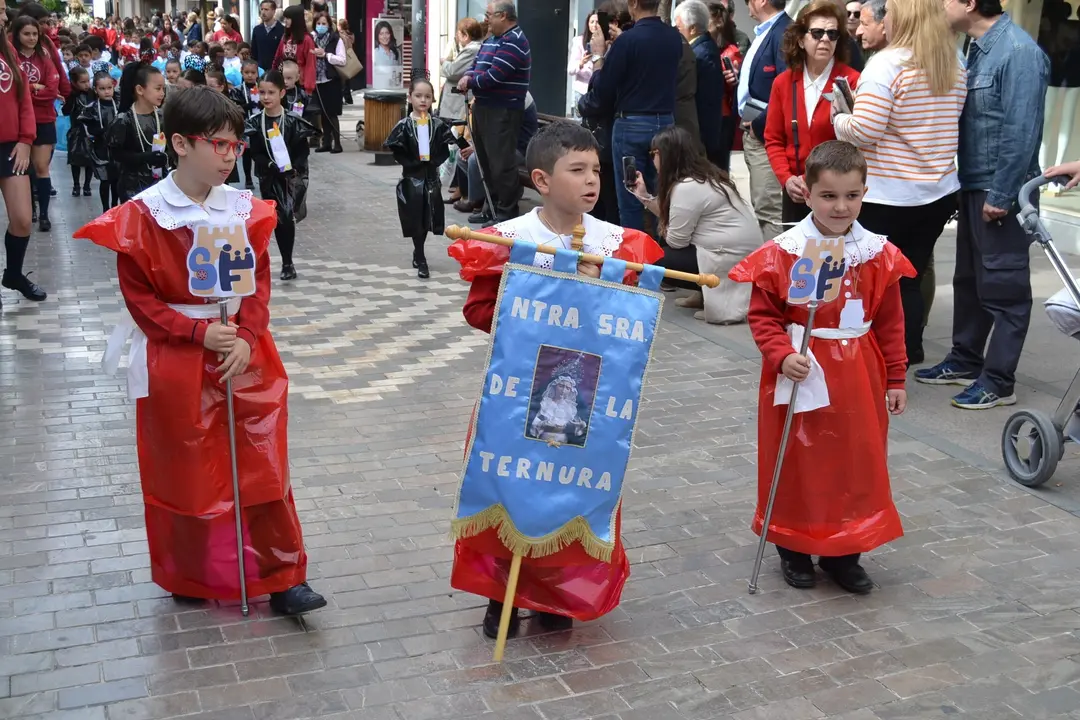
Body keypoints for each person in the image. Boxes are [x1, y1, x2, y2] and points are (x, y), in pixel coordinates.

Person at [74, 86, 326, 616]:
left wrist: (249, 335)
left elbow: (258, 281)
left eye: (236, 145)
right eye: (219, 145)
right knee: (186, 471)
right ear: (181, 144)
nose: (230, 156)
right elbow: (140, 298)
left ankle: (282, 575)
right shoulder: (143, 215)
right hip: (179, 355)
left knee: (261, 463)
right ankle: (191, 571)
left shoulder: (244, 209)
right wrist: (194, 334)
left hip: (243, 351)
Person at [446, 121, 663, 639]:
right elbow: (480, 311)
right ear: (542, 180)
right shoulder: (509, 240)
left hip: (584, 393)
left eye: (596, 170)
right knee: (508, 487)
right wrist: (545, 293)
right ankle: (501, 594)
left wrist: (599, 292)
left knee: (569, 488)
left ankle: (555, 593)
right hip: (517, 391)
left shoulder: (619, 244)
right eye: (577, 170)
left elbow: (628, 324)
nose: (591, 180)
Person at [729, 140, 912, 594]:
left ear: (864, 193)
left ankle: (844, 552)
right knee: (797, 459)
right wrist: (781, 354)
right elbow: (764, 315)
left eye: (851, 196)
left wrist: (895, 376)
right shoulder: (786, 252)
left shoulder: (876, 253)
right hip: (803, 367)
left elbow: (890, 322)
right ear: (807, 194)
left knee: (855, 460)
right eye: (828, 196)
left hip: (859, 373)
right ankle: (793, 546)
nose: (840, 207)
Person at [917, 0, 1050, 409]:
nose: (940, 7)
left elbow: (1021, 132)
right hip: (975, 185)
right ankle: (965, 359)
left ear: (970, 3)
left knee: (1005, 289)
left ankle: (998, 381)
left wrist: (1002, 194)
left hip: (1000, 189)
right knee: (970, 282)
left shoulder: (1019, 52)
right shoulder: (976, 48)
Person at [833, 0, 966, 368]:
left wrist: (840, 118)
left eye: (889, 10)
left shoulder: (887, 64)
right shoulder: (953, 63)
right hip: (937, 192)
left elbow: (865, 131)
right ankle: (907, 350)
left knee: (873, 281)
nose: (884, 17)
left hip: (888, 195)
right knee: (909, 276)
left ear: (904, 16)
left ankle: (877, 358)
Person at [631, 125, 761, 324]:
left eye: (653, 153)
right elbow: (677, 222)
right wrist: (645, 197)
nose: (652, 159)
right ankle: (704, 295)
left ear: (664, 154)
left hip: (728, 257)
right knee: (666, 244)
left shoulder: (687, 187)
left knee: (655, 258)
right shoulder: (702, 177)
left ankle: (713, 297)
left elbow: (676, 241)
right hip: (734, 253)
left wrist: (665, 224)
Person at [586, 0, 682, 233]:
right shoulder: (673, 37)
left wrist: (598, 57)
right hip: (665, 121)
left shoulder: (627, 41)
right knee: (661, 193)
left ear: (634, 3)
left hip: (632, 124)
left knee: (630, 199)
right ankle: (660, 246)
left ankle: (634, 251)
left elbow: (603, 90)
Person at [766, 0, 860, 225]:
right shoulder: (783, 83)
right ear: (801, 39)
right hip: (796, 193)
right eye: (817, 33)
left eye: (832, 34)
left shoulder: (852, 81)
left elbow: (858, 142)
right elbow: (774, 139)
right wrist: (786, 179)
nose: (825, 39)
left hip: (837, 195)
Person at [456, 1, 531, 227]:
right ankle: (490, 207)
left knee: (501, 165)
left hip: (502, 111)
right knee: (486, 163)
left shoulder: (514, 41)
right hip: (485, 108)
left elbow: (495, 76)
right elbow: (477, 64)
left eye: (489, 15)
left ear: (503, 16)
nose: (486, 19)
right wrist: (468, 75)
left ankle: (506, 211)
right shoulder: (492, 40)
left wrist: (470, 82)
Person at [245, 70, 315, 282]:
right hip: (269, 177)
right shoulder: (256, 122)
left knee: (286, 216)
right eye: (262, 92)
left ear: (282, 93)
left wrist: (293, 167)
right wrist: (269, 164)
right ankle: (275, 259)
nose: (266, 97)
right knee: (275, 218)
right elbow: (255, 152)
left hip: (290, 178)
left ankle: (287, 262)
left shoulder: (293, 120)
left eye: (271, 92)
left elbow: (303, 150)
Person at [384, 78, 454, 279]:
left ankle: (419, 250)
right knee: (415, 216)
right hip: (412, 178)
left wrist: (435, 160)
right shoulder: (405, 125)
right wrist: (410, 162)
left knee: (428, 215)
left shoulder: (437, 125)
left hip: (431, 178)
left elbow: (447, 144)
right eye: (418, 96)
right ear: (410, 98)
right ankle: (421, 256)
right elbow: (394, 146)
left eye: (427, 96)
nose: (423, 100)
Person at [734, 0, 791, 242]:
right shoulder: (766, 31)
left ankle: (778, 263)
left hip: (768, 136)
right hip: (757, 132)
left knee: (770, 210)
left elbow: (788, 87)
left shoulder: (784, 33)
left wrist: (760, 124)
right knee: (765, 207)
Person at [0, 0, 41, 308]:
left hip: (11, 147)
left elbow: (23, 97)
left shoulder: (9, 51)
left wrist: (26, 139)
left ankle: (13, 274)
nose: (4, 16)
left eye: (4, 9)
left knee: (23, 219)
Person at [13, 15, 69, 234]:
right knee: (24, 168)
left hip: (44, 119)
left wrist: (29, 91)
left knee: (41, 167)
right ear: (17, 34)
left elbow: (52, 90)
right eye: (26, 34)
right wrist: (34, 87)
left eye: (35, 34)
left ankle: (44, 214)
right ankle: (31, 210)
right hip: (19, 120)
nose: (31, 38)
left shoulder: (45, 57)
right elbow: (12, 91)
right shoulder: (10, 57)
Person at [675, 1, 726, 171]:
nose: (676, 31)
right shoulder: (701, 48)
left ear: (693, 29)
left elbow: (706, 101)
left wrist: (702, 140)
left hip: (701, 135)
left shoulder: (702, 53)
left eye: (678, 27)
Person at [109, 62, 168, 202]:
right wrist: (144, 157)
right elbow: (116, 153)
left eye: (163, 89)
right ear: (140, 90)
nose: (162, 93)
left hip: (160, 184)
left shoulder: (162, 116)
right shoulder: (124, 119)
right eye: (158, 89)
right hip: (132, 185)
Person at [79, 71, 119, 212]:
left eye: (109, 88)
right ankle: (105, 209)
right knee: (105, 179)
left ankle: (114, 206)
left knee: (116, 180)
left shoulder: (119, 104)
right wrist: (99, 131)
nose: (106, 92)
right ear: (95, 90)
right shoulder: (92, 108)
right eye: (102, 89)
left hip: (117, 148)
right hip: (100, 148)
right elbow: (86, 127)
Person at [310, 11, 345, 154]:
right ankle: (326, 142)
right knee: (323, 113)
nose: (321, 26)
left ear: (329, 25)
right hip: (317, 80)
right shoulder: (311, 38)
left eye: (324, 23)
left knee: (332, 113)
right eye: (318, 23)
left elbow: (342, 60)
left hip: (331, 80)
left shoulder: (335, 39)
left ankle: (337, 143)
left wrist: (326, 55)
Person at [439, 18, 482, 124]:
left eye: (458, 34)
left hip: (456, 105)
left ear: (465, 35)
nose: (457, 38)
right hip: (459, 103)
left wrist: (444, 62)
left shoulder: (471, 50)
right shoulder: (476, 48)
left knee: (454, 131)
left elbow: (453, 71)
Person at [63, 65, 94, 197]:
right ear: (74, 83)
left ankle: (87, 185)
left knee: (90, 160)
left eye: (88, 81)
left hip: (90, 131)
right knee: (75, 160)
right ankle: (76, 184)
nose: (87, 84)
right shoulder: (72, 96)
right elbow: (65, 111)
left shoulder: (92, 94)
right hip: (76, 131)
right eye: (83, 82)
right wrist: (71, 98)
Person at [273, 5, 315, 94]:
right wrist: (274, 76)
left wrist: (309, 87)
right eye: (285, 18)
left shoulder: (307, 39)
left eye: (288, 18)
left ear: (296, 20)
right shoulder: (285, 37)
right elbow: (277, 58)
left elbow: (310, 64)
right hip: (283, 82)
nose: (285, 20)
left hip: (300, 84)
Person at [567, 11, 598, 112]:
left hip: (597, 92)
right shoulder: (579, 41)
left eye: (597, 22)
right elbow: (570, 69)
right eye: (592, 22)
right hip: (581, 91)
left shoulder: (606, 43)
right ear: (587, 24)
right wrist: (581, 63)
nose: (594, 25)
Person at [251, 0, 284, 72]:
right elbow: (254, 52)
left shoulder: (282, 30)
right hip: (260, 70)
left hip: (276, 71)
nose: (263, 12)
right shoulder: (257, 30)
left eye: (266, 9)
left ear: (273, 11)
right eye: (262, 9)